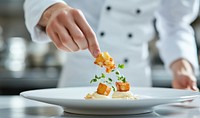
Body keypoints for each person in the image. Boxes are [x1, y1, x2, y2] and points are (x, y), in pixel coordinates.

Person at [24, 0, 199, 91]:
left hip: (138, 84)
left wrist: (182, 66)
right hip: (78, 81)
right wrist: (53, 10)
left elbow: (175, 23)